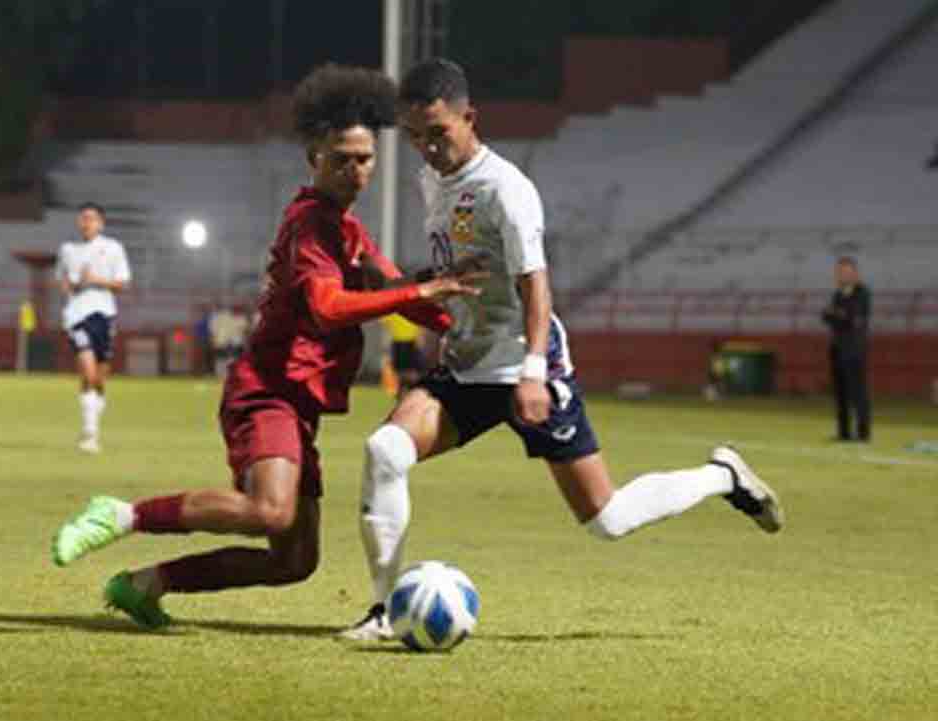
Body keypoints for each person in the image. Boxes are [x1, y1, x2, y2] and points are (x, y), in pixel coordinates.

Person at [340, 59, 785, 641]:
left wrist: (530, 373)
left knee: (607, 520)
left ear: (469, 118)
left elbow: (536, 283)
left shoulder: (506, 189)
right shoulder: (433, 181)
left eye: (438, 133)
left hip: (528, 365)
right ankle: (383, 612)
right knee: (386, 449)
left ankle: (722, 477)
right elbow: (465, 268)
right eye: (416, 136)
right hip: (468, 365)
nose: (426, 147)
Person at [48, 64, 482, 629]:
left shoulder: (347, 228)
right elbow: (327, 305)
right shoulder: (309, 224)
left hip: (298, 404)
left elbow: (394, 288)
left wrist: (460, 323)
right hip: (267, 391)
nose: (355, 170)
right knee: (270, 511)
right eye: (341, 159)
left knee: (295, 561)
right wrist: (423, 291)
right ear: (314, 159)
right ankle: (122, 514)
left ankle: (146, 584)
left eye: (365, 158)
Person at [55, 202, 132, 454]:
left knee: (99, 378)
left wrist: (96, 280)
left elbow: (122, 283)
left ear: (101, 223)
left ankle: (92, 421)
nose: (86, 223)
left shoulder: (113, 248)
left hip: (105, 315)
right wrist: (72, 285)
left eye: (92, 219)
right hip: (77, 315)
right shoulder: (68, 250)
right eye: (83, 218)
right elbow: (63, 282)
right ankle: (90, 434)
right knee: (87, 372)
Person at [821, 256, 871, 442]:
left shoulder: (862, 293)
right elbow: (828, 316)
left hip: (855, 350)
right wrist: (838, 316)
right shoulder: (838, 295)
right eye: (839, 272)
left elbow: (852, 319)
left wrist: (838, 315)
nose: (841, 275)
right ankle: (844, 433)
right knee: (840, 393)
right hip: (837, 349)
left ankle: (863, 433)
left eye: (845, 272)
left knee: (858, 392)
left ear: (854, 273)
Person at [382, 313, 425, 393]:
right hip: (399, 341)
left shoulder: (409, 309)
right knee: (400, 371)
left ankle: (413, 389)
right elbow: (385, 322)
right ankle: (404, 390)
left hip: (410, 341)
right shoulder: (394, 310)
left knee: (410, 371)